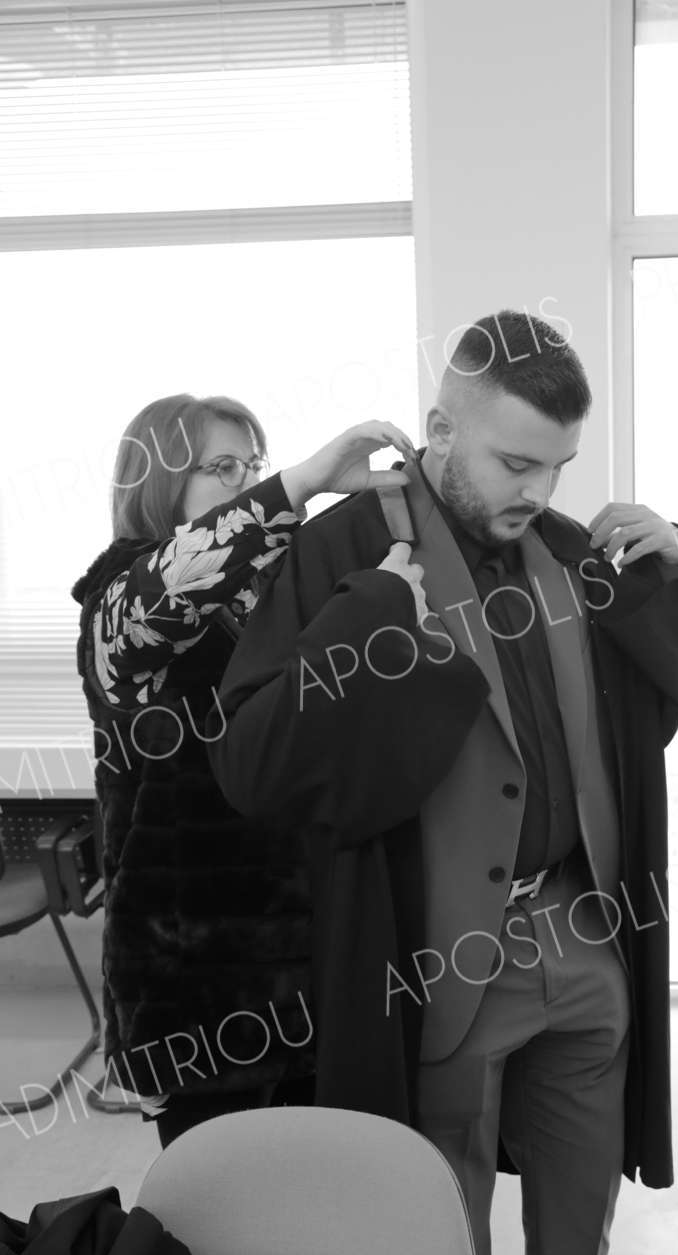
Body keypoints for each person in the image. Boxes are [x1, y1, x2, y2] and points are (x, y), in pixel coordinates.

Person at [209, 311, 678, 1255]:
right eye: (516, 463)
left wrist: (676, 569)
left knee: (579, 1237)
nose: (539, 492)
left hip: (581, 938)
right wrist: (370, 622)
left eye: (558, 466)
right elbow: (252, 762)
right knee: (443, 1239)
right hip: (437, 961)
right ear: (440, 430)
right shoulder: (347, 551)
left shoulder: (565, 549)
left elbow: (642, 710)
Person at [72, 393, 428, 1147]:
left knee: (312, 1193)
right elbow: (174, 585)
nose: (246, 480)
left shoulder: (266, 598)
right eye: (223, 467)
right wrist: (302, 481)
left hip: (303, 965)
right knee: (220, 1204)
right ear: (160, 484)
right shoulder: (117, 607)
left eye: (254, 465)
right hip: (192, 986)